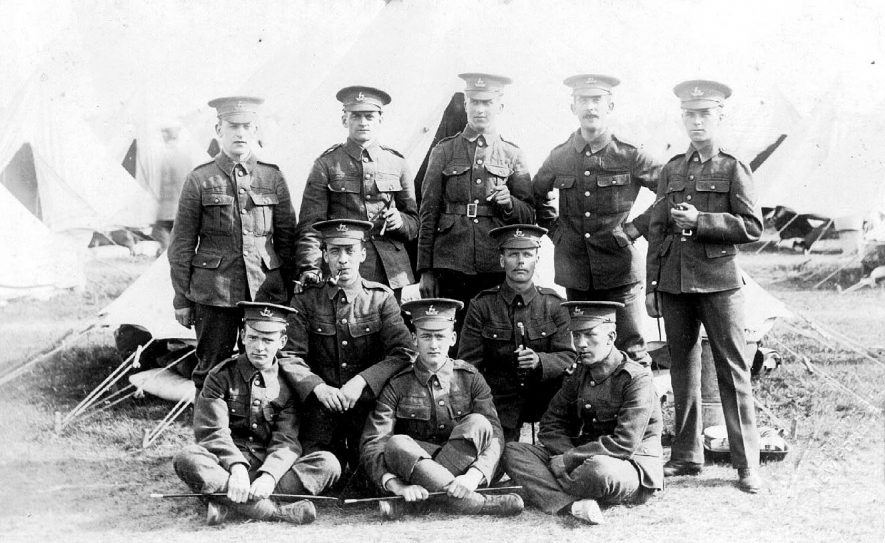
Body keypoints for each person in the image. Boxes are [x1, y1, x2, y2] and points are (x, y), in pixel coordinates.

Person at [645, 80, 764, 493]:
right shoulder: (672, 168)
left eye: (704, 114)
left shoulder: (734, 168)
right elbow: (657, 229)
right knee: (682, 371)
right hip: (675, 284)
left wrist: (702, 222)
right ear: (682, 119)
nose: (696, 122)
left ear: (719, 117)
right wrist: (652, 286)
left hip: (719, 285)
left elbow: (753, 227)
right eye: (689, 115)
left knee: (733, 371)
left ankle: (747, 463)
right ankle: (686, 456)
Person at [168, 96, 297, 390]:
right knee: (211, 368)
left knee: (264, 365)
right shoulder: (200, 179)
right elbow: (181, 245)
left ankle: (256, 433)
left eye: (247, 126)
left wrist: (289, 290)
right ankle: (211, 434)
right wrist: (182, 298)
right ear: (218, 129)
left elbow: (288, 239)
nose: (240, 133)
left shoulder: (272, 176)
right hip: (214, 292)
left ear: (256, 130)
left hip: (265, 290)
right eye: (233, 126)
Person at [173, 302, 341, 526]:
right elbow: (212, 432)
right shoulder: (220, 376)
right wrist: (237, 467)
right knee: (187, 458)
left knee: (328, 464)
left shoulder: (288, 384)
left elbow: (286, 440)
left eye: (268, 340)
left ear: (281, 342)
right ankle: (275, 512)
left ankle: (228, 505)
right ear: (242, 336)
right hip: (227, 468)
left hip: (269, 472)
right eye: (253, 338)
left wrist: (269, 476)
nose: (259, 347)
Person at [533, 74, 660, 365]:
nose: (590, 107)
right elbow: (536, 193)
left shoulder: (629, 153)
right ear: (573, 107)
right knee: (583, 345)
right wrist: (556, 232)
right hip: (575, 268)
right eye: (583, 100)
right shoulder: (561, 155)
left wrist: (634, 229)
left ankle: (643, 409)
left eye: (597, 100)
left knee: (631, 348)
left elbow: (670, 189)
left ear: (610, 105)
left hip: (619, 267)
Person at [360, 298, 524, 518]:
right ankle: (481, 505)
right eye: (426, 336)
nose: (434, 344)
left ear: (453, 338)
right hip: (415, 469)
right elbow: (374, 442)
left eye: (440, 336)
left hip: (464, 473)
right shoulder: (397, 384)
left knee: (479, 423)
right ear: (414, 339)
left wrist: (474, 476)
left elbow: (495, 436)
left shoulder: (471, 378)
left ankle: (420, 503)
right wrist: (397, 486)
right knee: (396, 444)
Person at [504, 301, 663, 525]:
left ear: (612, 336)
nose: (581, 344)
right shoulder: (580, 373)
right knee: (512, 451)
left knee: (598, 470)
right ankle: (574, 504)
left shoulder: (637, 379)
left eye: (589, 335)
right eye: (576, 336)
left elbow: (624, 444)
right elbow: (551, 424)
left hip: (628, 465)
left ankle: (549, 490)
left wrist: (568, 460)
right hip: (582, 458)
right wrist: (568, 456)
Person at [280, 219, 416, 478]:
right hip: (320, 409)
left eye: (350, 251)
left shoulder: (380, 298)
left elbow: (403, 352)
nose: (343, 259)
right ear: (324, 255)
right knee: (322, 469)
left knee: (368, 472)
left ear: (363, 254)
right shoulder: (306, 299)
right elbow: (289, 355)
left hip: (367, 409)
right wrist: (318, 387)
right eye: (334, 251)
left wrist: (361, 382)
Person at [417, 72, 534, 337]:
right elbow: (428, 212)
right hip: (450, 264)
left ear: (500, 107)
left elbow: (529, 215)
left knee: (492, 335)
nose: (480, 109)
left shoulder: (512, 154)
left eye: (487, 103)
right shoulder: (444, 151)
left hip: (494, 263)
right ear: (465, 104)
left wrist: (510, 203)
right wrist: (426, 269)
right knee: (451, 337)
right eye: (474, 102)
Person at [295, 86, 418, 300]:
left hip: (391, 273)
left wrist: (400, 222)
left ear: (380, 119)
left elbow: (415, 222)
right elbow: (311, 225)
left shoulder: (398, 163)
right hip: (343, 269)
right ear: (345, 120)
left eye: (369, 116)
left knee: (392, 331)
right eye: (356, 116)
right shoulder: (327, 164)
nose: (363, 122)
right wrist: (311, 267)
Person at [457, 224, 575, 442]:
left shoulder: (555, 304)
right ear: (502, 260)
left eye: (528, 254)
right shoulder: (482, 305)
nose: (521, 261)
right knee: (496, 456)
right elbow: (467, 363)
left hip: (546, 399)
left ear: (537, 259)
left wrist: (540, 361)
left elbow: (569, 356)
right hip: (499, 401)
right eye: (513, 254)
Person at [151, 120, 199, 251]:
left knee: (163, 239)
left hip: (166, 209)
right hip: (183, 208)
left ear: (165, 136)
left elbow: (161, 185)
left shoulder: (162, 156)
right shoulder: (186, 157)